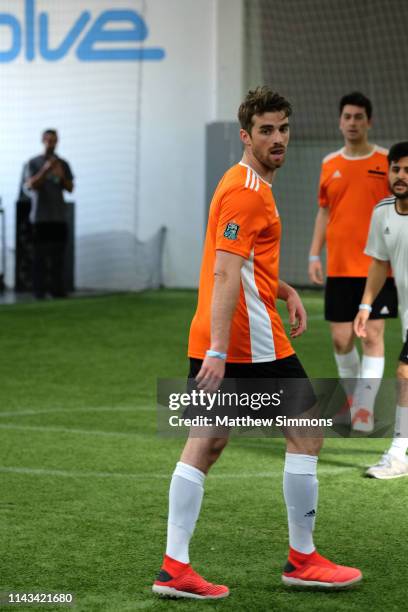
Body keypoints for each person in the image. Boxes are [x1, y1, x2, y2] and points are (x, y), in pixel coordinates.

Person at [152, 87, 361, 600]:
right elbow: (225, 274)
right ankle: (302, 559)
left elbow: (241, 261)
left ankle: (174, 568)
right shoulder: (248, 191)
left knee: (207, 442)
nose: (278, 139)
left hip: (226, 336)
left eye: (283, 128)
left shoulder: (243, 180)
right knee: (308, 432)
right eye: (266, 131)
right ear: (246, 135)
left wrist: (283, 288)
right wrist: (222, 352)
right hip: (248, 344)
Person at [308, 92, 398, 432]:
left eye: (359, 117)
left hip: (379, 268)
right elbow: (324, 211)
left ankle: (363, 408)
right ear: (340, 121)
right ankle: (351, 398)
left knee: (372, 335)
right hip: (340, 268)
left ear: (369, 122)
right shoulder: (330, 163)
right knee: (341, 340)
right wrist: (314, 253)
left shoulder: (388, 161)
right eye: (347, 116)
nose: (352, 123)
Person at [354, 142, 408, 478]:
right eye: (396, 169)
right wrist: (365, 305)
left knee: (404, 373)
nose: (401, 176)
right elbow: (378, 262)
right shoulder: (383, 212)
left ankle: (399, 453)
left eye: (407, 169)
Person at [24, 129, 74, 299]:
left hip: (58, 218)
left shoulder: (63, 164)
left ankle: (58, 291)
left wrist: (61, 176)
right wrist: (45, 170)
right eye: (48, 140)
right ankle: (39, 293)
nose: (51, 143)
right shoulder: (33, 163)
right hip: (40, 219)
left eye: (54, 140)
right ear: (43, 140)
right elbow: (31, 186)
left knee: (58, 258)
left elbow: (70, 188)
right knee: (39, 257)